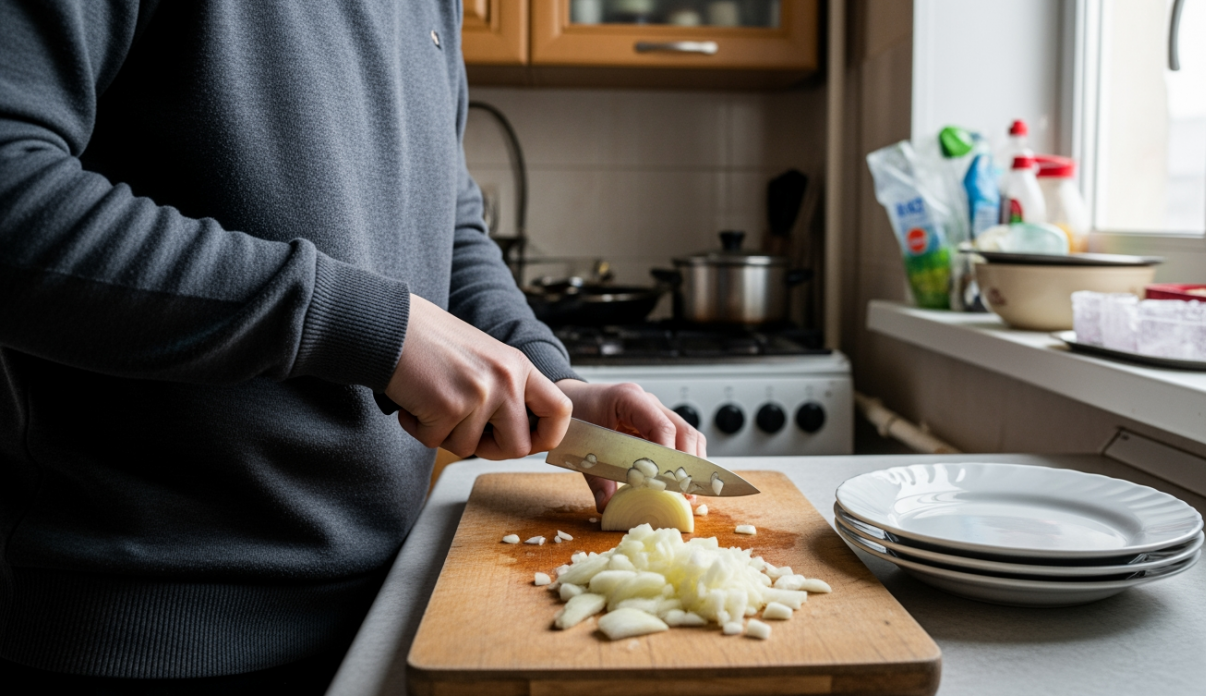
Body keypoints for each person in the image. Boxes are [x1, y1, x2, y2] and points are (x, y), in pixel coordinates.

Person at [0, 1, 703, 692]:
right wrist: (371, 326)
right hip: (151, 632)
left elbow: (450, 229)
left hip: (396, 602)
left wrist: (552, 384)